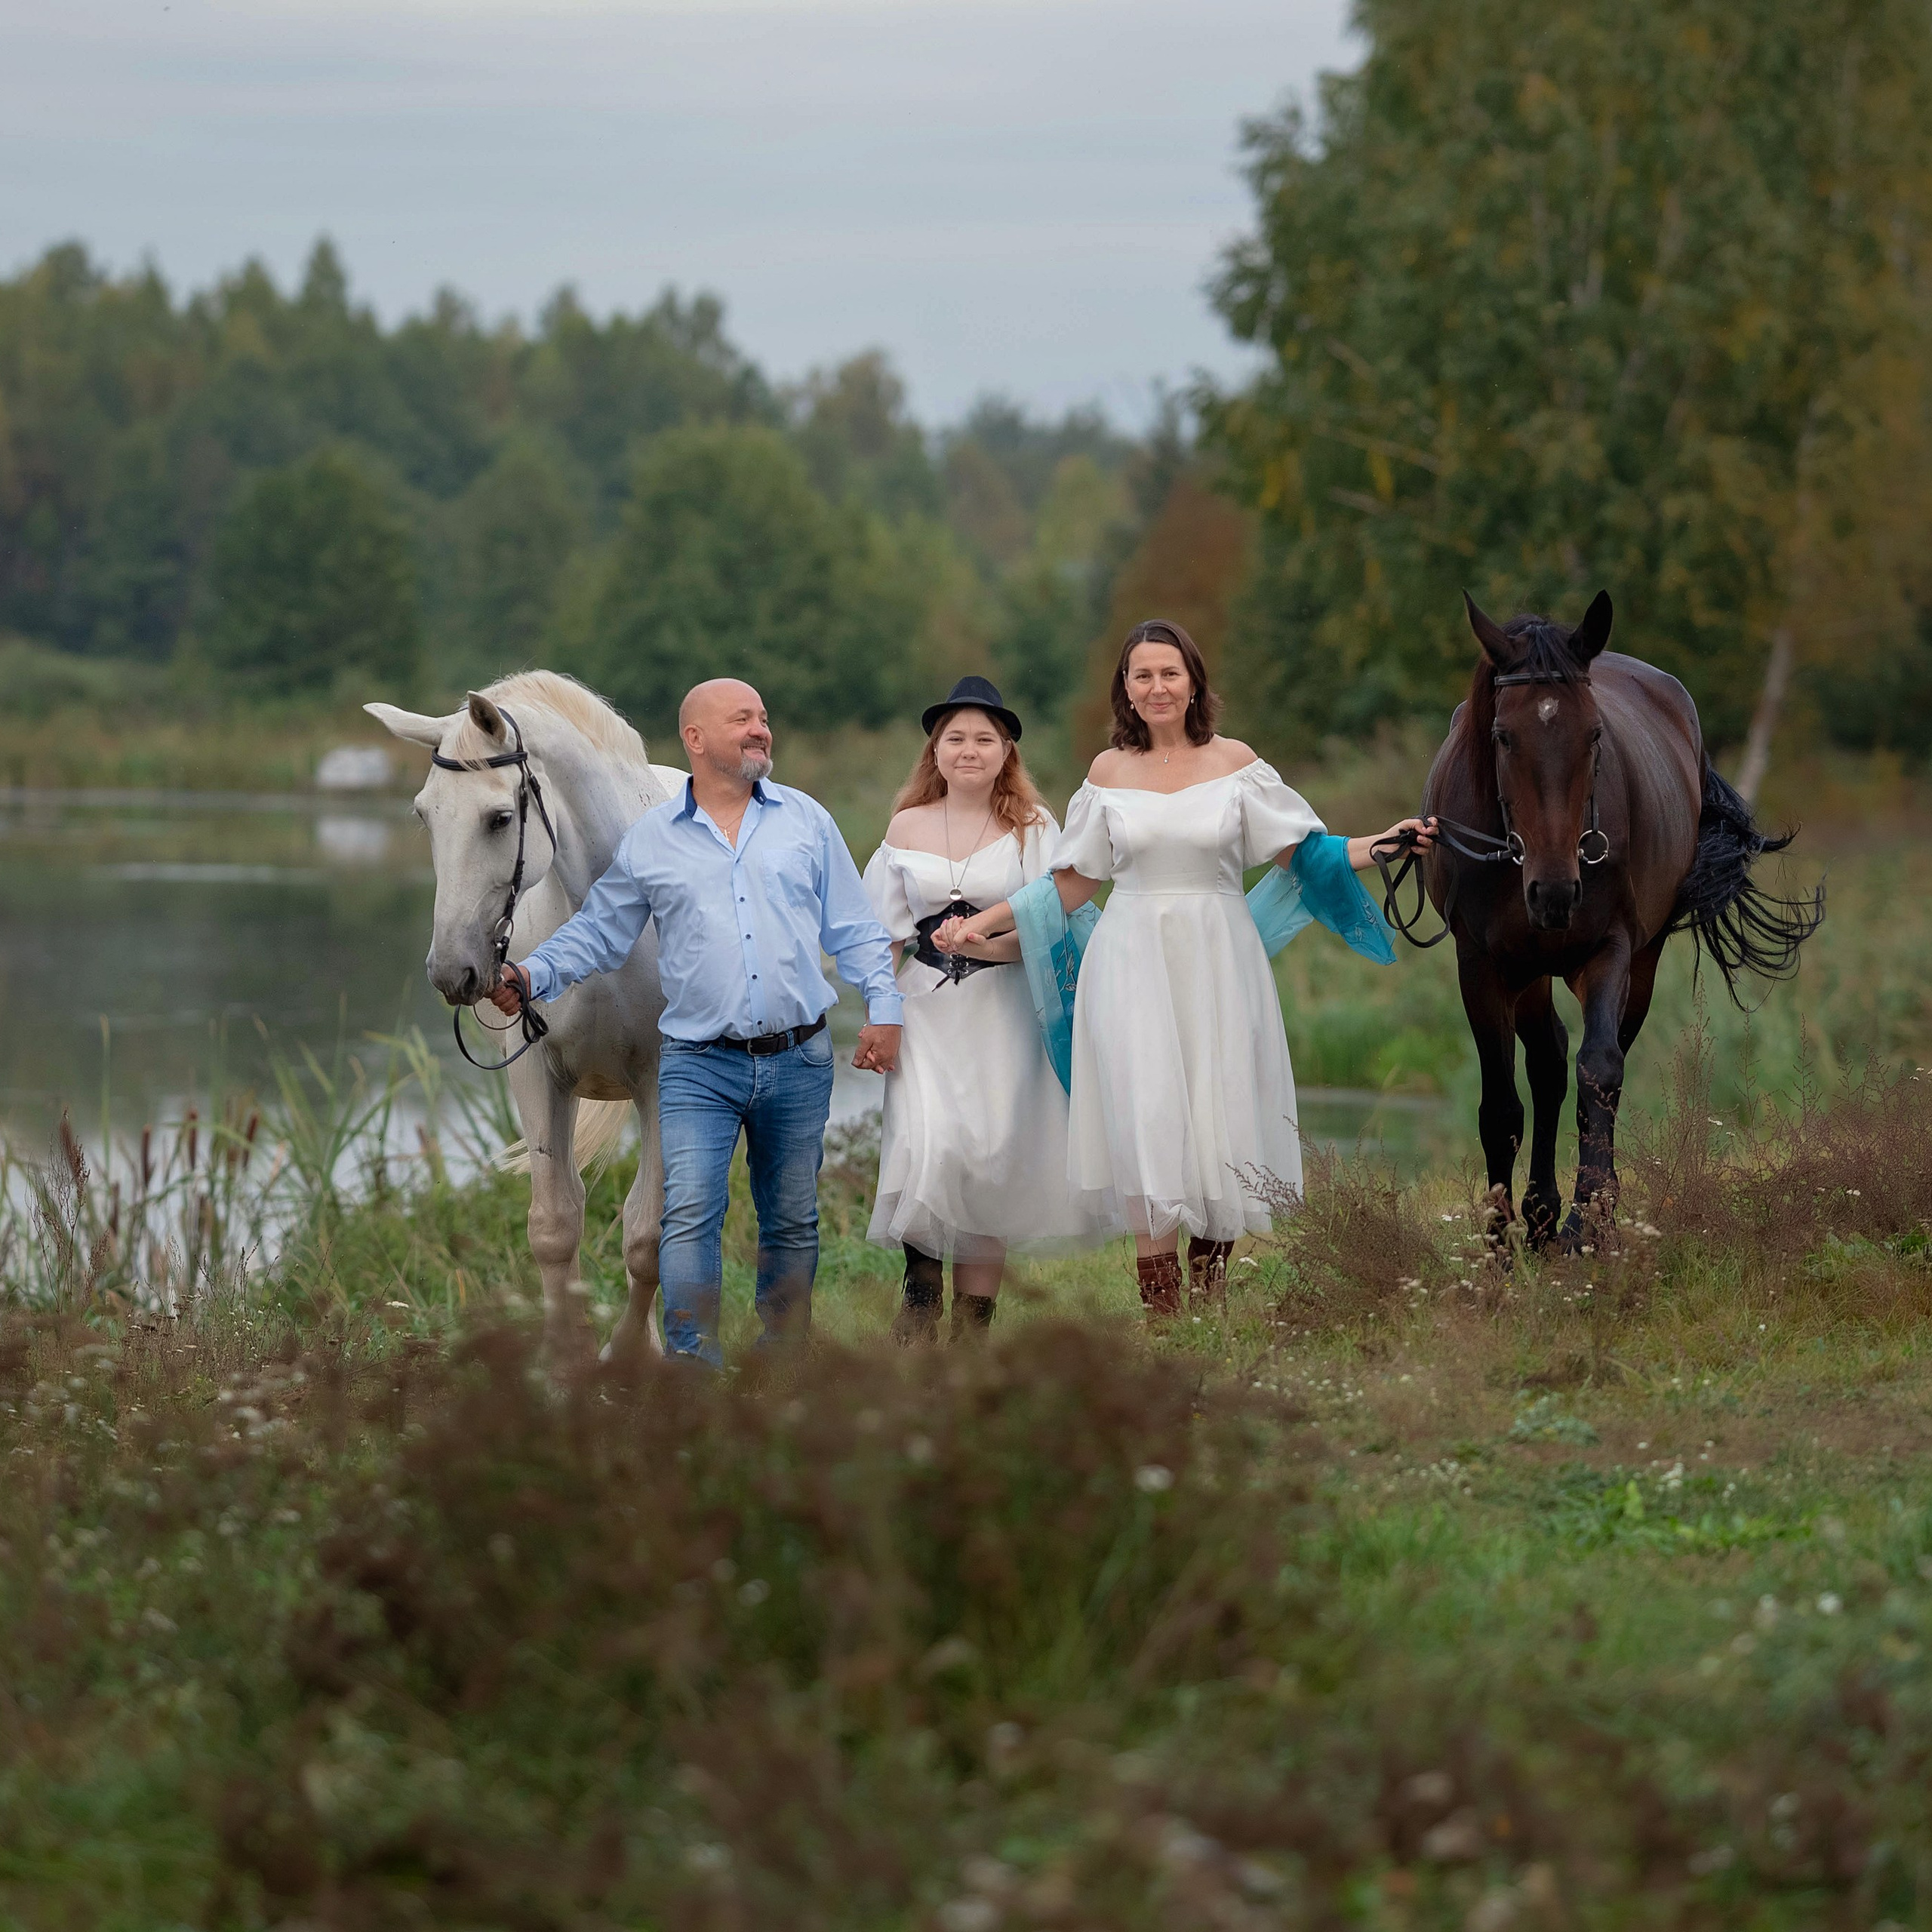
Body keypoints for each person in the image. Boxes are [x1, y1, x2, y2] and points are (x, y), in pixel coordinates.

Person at [939, 620, 1432, 1315]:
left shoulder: (1236, 764)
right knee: (1148, 1118)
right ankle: (1165, 1318)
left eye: (1170, 673)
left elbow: (1303, 855)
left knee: (1219, 1114)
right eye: (1142, 675)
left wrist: (1386, 842)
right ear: (1126, 689)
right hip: (1130, 963)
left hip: (1220, 959)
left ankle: (1210, 1297)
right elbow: (1073, 883)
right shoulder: (1107, 773)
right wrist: (985, 922)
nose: (1157, 687)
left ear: (1194, 681)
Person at [491, 678, 902, 1367]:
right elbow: (599, 930)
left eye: (763, 717)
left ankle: (783, 1359)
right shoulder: (653, 839)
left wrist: (883, 1011)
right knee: (686, 1220)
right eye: (742, 719)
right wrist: (532, 976)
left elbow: (855, 929)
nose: (761, 729)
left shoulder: (807, 820)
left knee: (792, 1221)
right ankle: (690, 1366)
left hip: (799, 1058)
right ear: (696, 739)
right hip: (698, 1064)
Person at [861, 676, 1093, 1343]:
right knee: (928, 1145)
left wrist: (986, 946)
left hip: (1005, 1013)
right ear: (935, 751)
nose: (969, 750)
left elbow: (1055, 925)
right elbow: (880, 936)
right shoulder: (906, 825)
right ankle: (919, 1303)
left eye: (984, 739)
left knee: (988, 1160)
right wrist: (879, 1013)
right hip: (925, 1015)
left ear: (1006, 751)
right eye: (955, 738)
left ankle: (973, 1329)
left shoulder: (1034, 829)